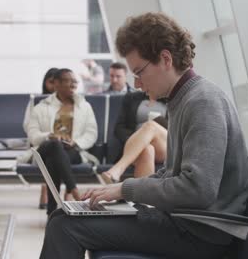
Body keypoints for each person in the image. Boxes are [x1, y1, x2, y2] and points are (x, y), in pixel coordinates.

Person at [40, 12, 248, 258]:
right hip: (187, 223)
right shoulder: (183, 99)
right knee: (65, 215)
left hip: (202, 234)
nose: (137, 84)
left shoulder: (203, 102)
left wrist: (125, 190)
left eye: (139, 72)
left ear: (165, 59)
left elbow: (198, 190)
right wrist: (119, 190)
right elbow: (173, 173)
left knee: (64, 226)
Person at [26, 68, 98, 215]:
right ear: (56, 84)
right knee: (54, 145)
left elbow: (91, 133)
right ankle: (75, 192)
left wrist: (75, 142)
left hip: (72, 151)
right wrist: (50, 135)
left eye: (75, 81)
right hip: (44, 150)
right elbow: (32, 135)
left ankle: (51, 212)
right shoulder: (41, 107)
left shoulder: (84, 106)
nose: (73, 84)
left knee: (54, 159)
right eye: (68, 81)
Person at [101, 90, 167, 183]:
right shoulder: (132, 98)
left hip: (165, 143)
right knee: (146, 149)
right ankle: (143, 196)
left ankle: (118, 169)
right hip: (136, 141)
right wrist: (138, 139)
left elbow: (177, 127)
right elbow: (119, 127)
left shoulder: (171, 98)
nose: (137, 84)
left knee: (150, 126)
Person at [22, 67, 58, 209]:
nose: (54, 87)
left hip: (60, 144)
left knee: (57, 153)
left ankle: (56, 194)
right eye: (51, 82)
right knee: (49, 153)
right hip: (40, 143)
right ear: (45, 83)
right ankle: (50, 191)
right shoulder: (35, 102)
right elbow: (28, 126)